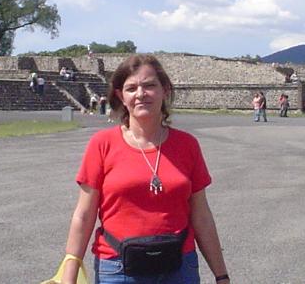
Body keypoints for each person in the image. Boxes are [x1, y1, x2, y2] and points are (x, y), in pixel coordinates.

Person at [61, 54, 230, 284]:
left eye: (149, 85)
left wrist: (221, 276)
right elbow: (84, 214)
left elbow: (201, 215)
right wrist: (69, 271)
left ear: (165, 90)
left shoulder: (187, 145)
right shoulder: (102, 144)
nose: (140, 94)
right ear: (121, 96)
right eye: (131, 88)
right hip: (118, 268)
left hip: (179, 267)